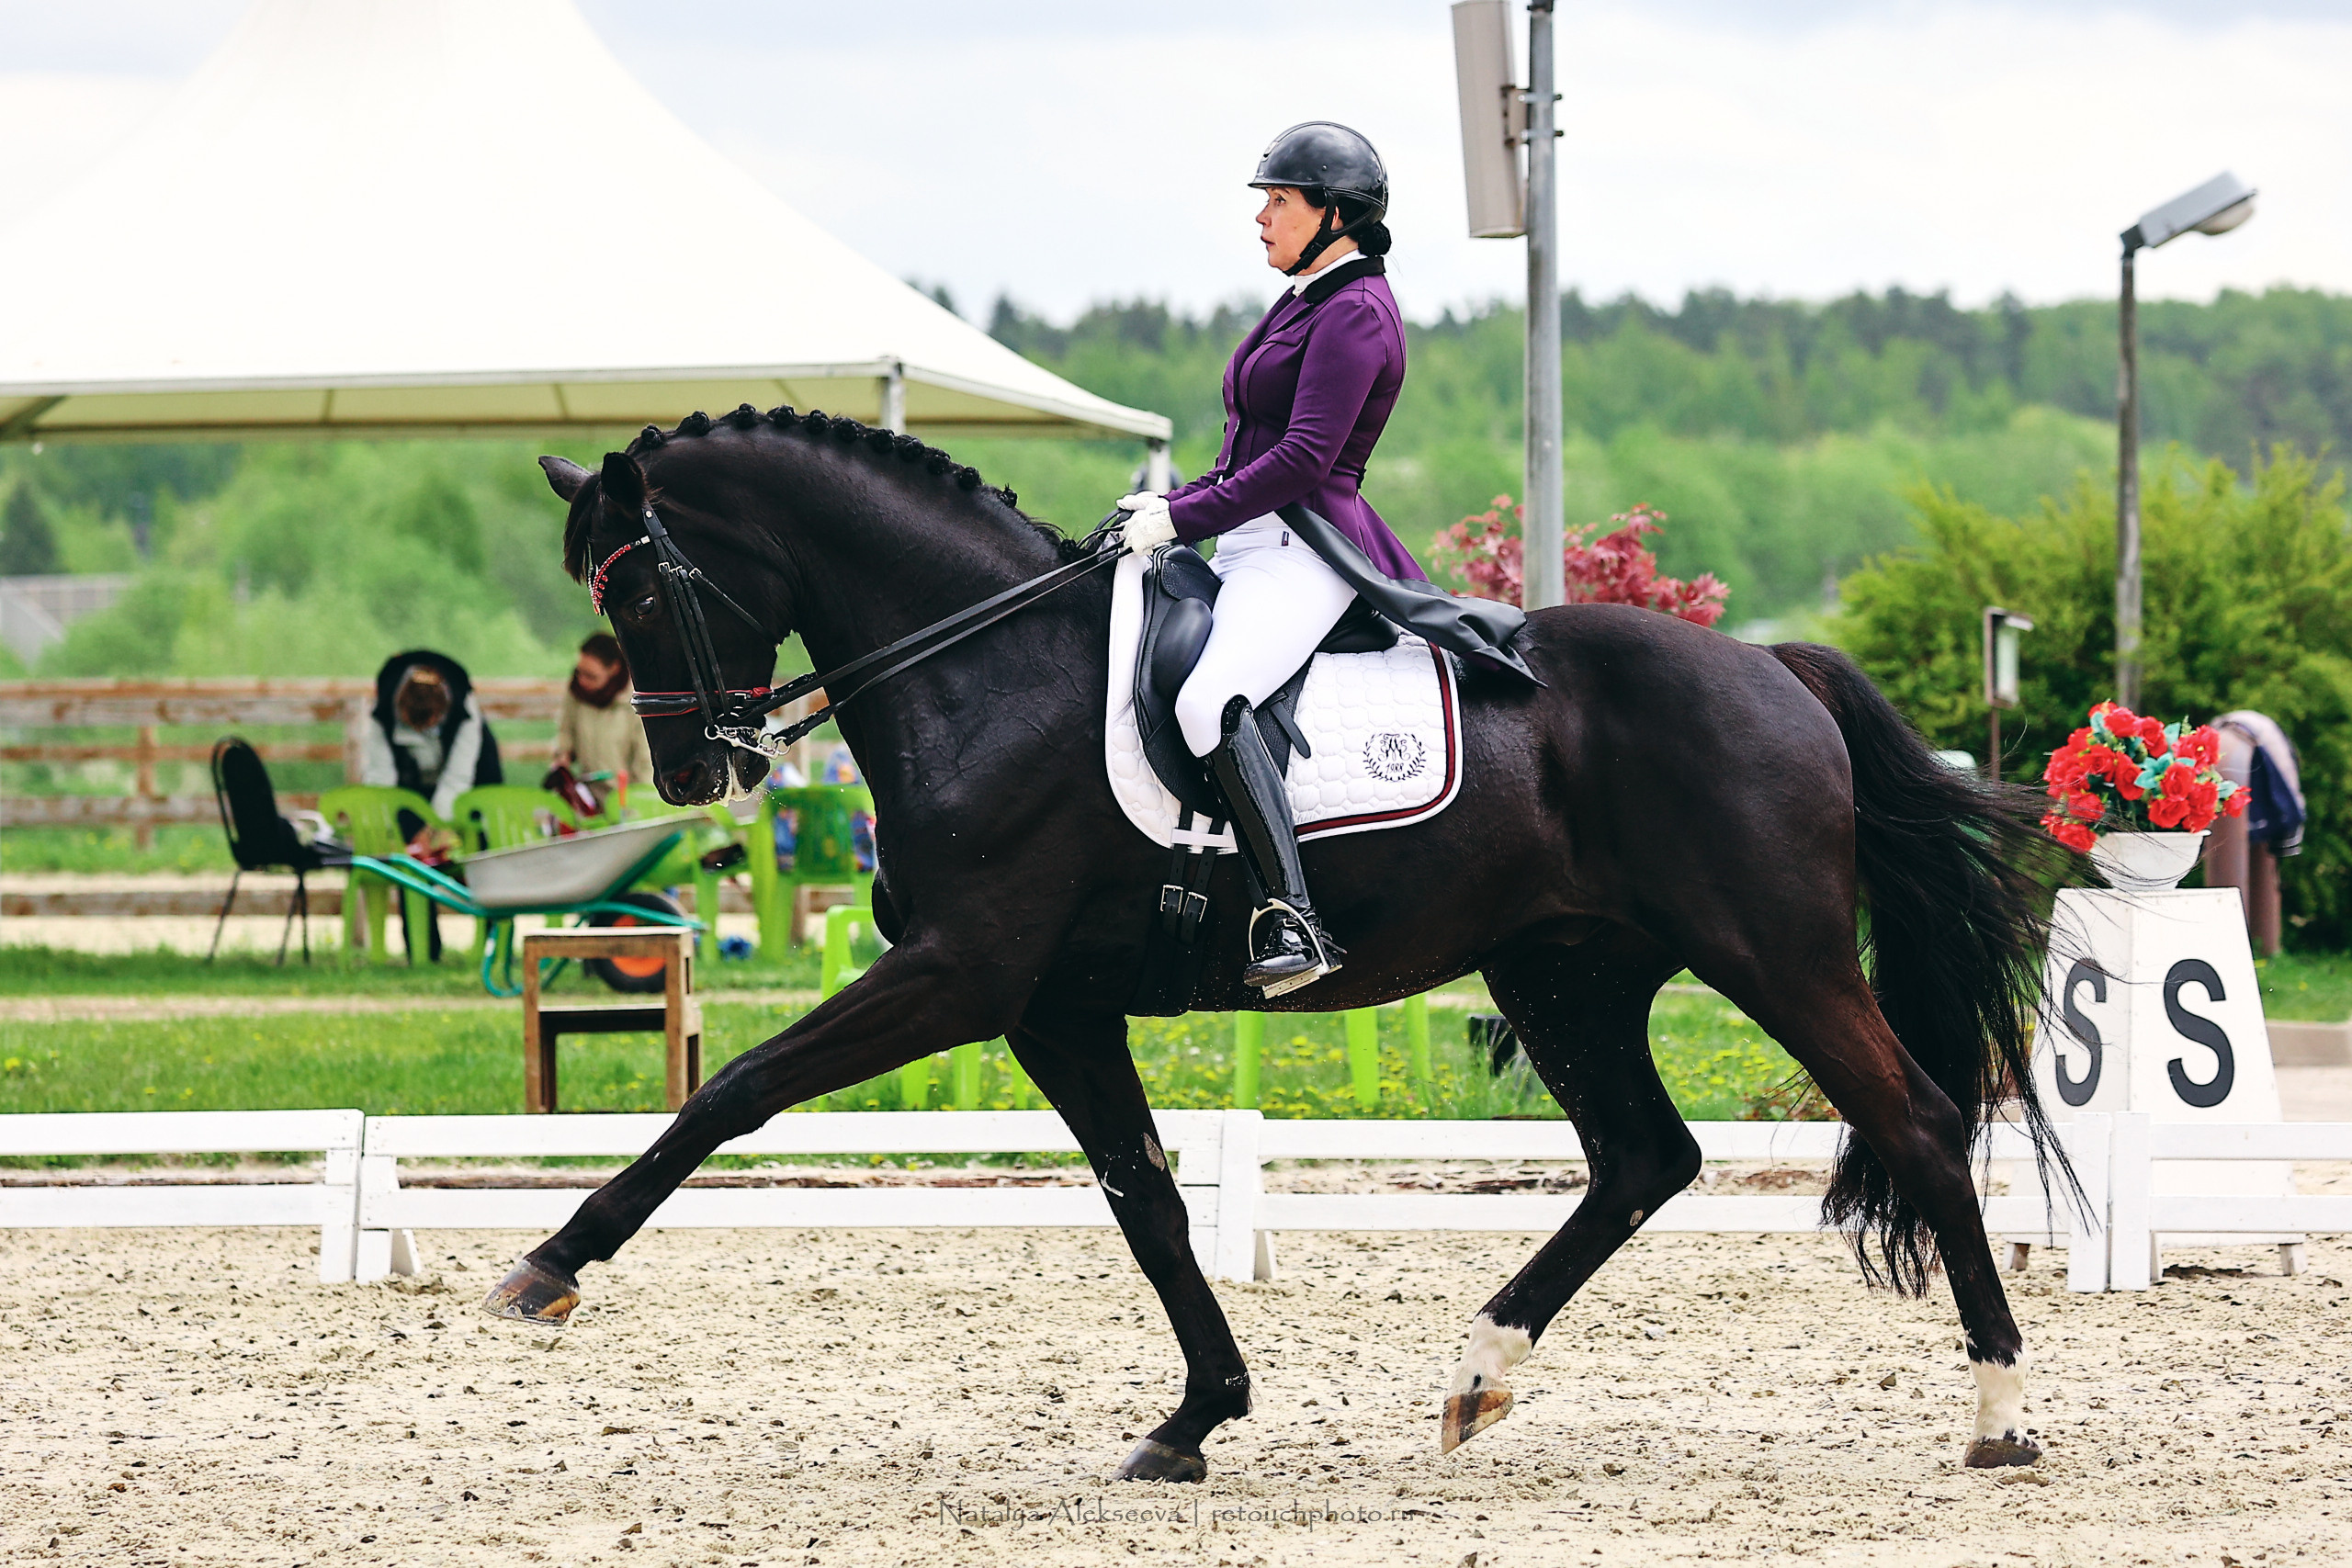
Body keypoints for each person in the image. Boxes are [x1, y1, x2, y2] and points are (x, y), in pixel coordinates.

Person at [1113, 122, 1442, 997]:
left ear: (1334, 213)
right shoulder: (1304, 296)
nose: (1261, 217)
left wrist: (1183, 514)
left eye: (1278, 201)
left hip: (1306, 548)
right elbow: (1247, 442)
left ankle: (1291, 915)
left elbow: (1300, 459)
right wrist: (1168, 503)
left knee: (1209, 700)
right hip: (1250, 536)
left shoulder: (1357, 314)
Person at [361, 649, 503, 824]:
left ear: (441, 713)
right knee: (405, 824)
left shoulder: (464, 709)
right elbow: (380, 778)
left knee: (471, 824)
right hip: (410, 780)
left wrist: (436, 827)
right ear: (400, 708)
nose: (420, 733)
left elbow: (458, 777)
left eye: (427, 726)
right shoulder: (382, 711)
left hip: (471, 778)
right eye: (413, 726)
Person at [551, 633, 653, 814]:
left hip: (626, 801)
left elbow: (645, 760)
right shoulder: (576, 692)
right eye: (579, 672)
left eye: (591, 676)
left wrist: (640, 804)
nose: (582, 681)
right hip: (588, 798)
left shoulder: (636, 701)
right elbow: (565, 731)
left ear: (614, 669)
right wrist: (562, 757)